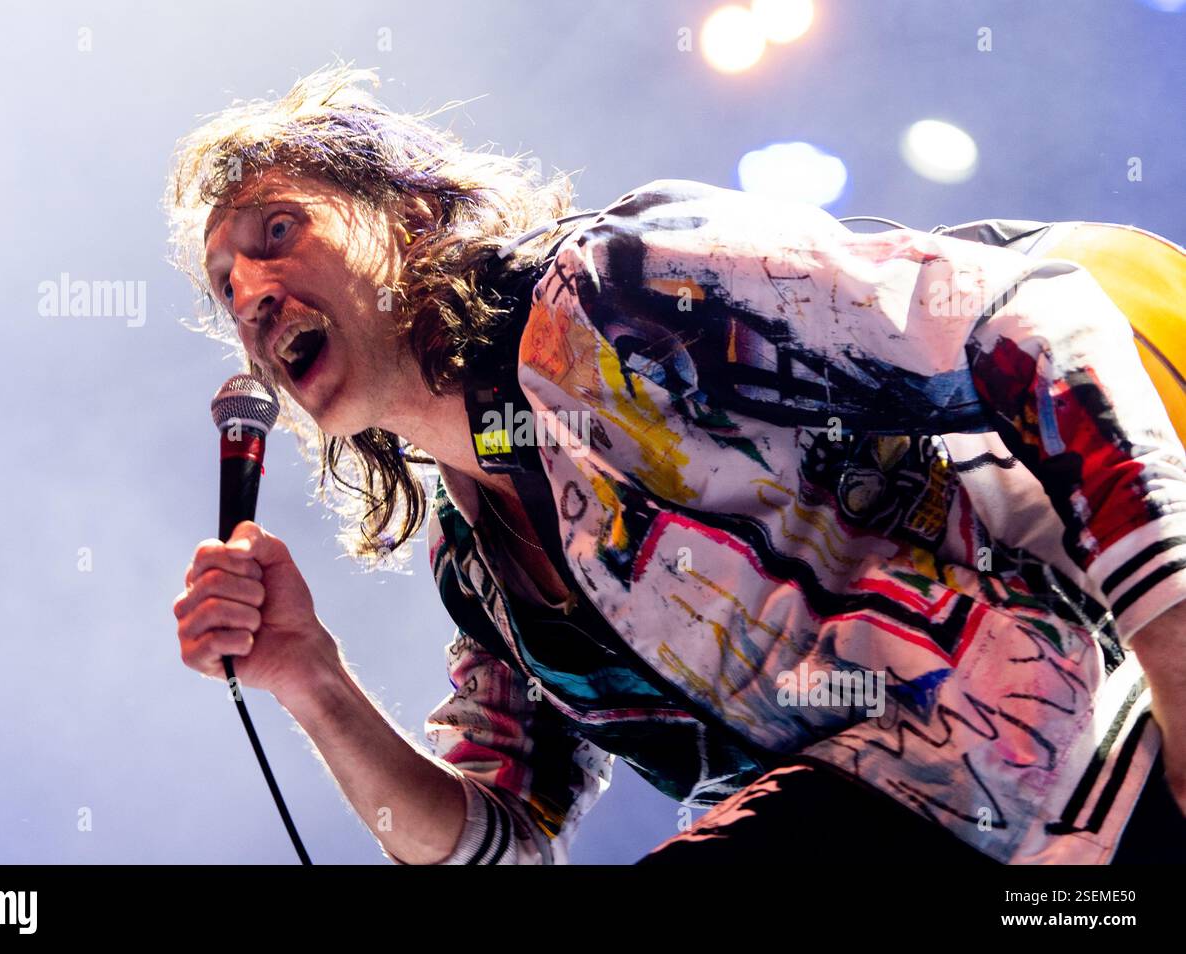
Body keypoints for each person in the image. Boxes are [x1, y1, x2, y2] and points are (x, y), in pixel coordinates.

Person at [166, 63, 1186, 864]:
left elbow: (1028, 317)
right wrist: (310, 678)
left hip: (1089, 750)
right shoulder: (476, 565)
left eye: (279, 232)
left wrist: (1175, 652)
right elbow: (503, 843)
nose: (250, 289)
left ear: (408, 219)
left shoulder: (623, 290)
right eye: (223, 282)